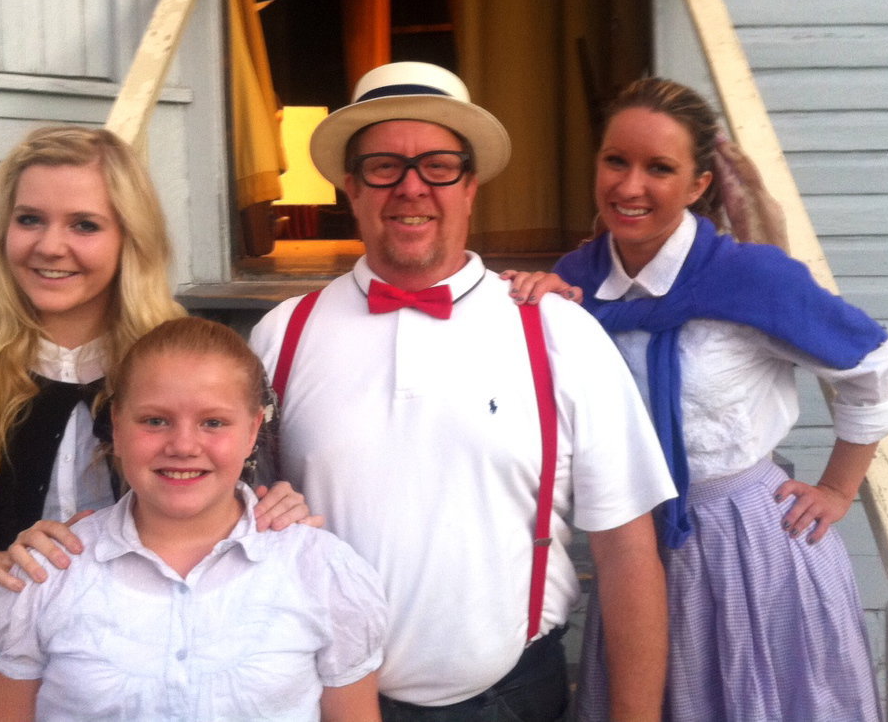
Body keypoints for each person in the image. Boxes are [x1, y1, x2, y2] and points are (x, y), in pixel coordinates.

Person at [248, 62, 677, 721]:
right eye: (384, 166)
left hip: (510, 700)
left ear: (471, 186)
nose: (411, 188)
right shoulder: (282, 336)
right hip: (320, 699)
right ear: (351, 187)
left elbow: (626, 552)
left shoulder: (558, 333)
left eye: (439, 166)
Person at [0, 126, 310, 722]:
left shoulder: (182, 367)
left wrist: (275, 508)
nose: (50, 245)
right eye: (30, 220)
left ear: (130, 238)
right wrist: (12, 565)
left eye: (84, 225)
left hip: (154, 694)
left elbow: (238, 513)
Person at [506, 77, 888, 721]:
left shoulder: (750, 276)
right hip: (635, 547)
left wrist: (838, 488)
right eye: (616, 161)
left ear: (699, 185)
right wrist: (535, 300)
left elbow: (873, 365)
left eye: (659, 168)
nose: (629, 186)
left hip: (752, 549)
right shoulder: (577, 282)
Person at [0, 316, 387, 722]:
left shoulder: (320, 571)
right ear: (117, 427)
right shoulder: (50, 574)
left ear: (251, 430)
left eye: (213, 422)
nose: (184, 445)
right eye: (155, 421)